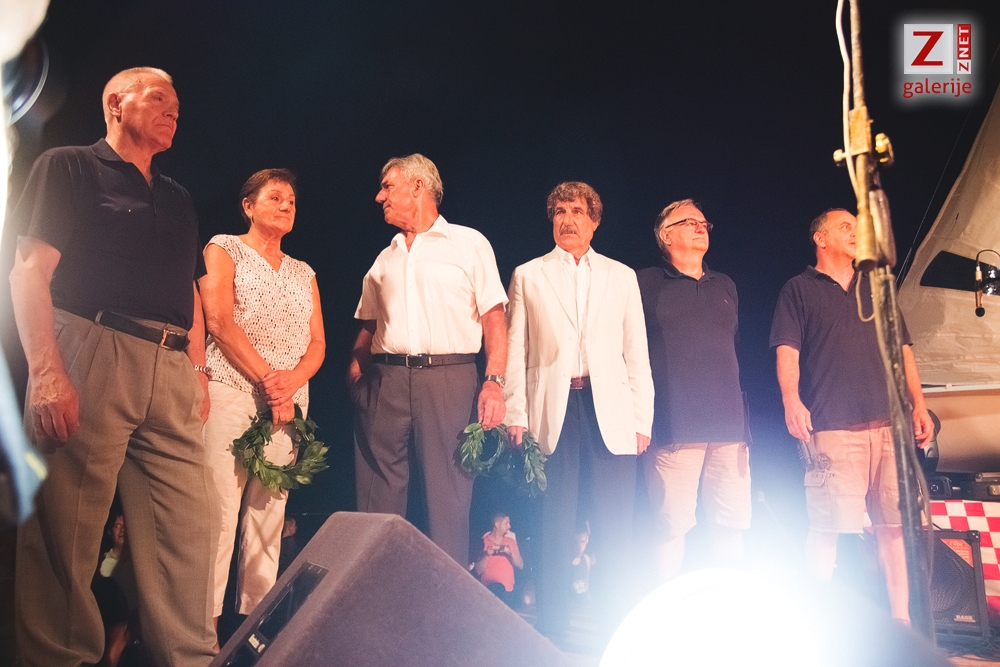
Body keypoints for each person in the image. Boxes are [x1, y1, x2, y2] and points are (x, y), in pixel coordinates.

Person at [8, 67, 218, 667]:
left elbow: (189, 290)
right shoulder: (70, 166)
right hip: (94, 346)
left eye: (176, 102)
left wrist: (197, 370)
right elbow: (29, 271)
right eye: (158, 98)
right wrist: (47, 371)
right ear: (115, 103)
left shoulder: (178, 197)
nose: (173, 109)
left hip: (171, 365)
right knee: (67, 528)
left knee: (189, 525)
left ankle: (190, 658)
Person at [504, 181, 654, 641]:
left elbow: (636, 352)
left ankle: (615, 631)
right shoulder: (528, 275)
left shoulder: (621, 276)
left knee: (614, 527)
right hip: (554, 409)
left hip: (610, 410)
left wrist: (641, 420)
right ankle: (552, 633)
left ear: (594, 221)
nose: (567, 219)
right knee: (553, 524)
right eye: (560, 211)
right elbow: (515, 351)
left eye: (576, 211)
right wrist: (515, 413)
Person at [770, 208, 934, 623]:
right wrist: (791, 400)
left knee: (894, 527)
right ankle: (815, 623)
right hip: (834, 426)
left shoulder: (877, 287)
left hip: (889, 426)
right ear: (821, 238)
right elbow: (787, 351)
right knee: (827, 526)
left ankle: (901, 621)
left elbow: (903, 350)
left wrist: (918, 404)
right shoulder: (798, 289)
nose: (857, 233)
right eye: (846, 227)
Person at [349, 154, 508, 564]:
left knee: (447, 499)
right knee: (376, 499)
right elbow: (367, 326)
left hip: (449, 378)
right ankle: (375, 589)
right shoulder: (384, 258)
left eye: (388, 186)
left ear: (418, 186)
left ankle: (445, 597)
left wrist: (494, 382)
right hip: (386, 381)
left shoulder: (469, 243)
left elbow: (494, 317)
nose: (379, 196)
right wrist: (356, 374)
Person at [200, 168, 325, 621]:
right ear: (248, 206)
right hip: (233, 390)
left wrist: (288, 384)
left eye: (291, 200)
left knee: (269, 519)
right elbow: (219, 321)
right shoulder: (224, 248)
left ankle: (254, 629)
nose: (286, 205)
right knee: (218, 513)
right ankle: (203, 632)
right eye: (275, 197)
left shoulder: (303, 271)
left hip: (287, 406)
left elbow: (318, 343)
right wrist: (270, 379)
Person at [637, 199, 751, 582]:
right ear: (666, 235)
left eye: (704, 223)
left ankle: (729, 603)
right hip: (674, 425)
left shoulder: (725, 285)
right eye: (689, 222)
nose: (701, 227)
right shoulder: (644, 283)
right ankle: (667, 606)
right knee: (671, 526)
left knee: (731, 523)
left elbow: (733, 348)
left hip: (730, 426)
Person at [474, 513, 524, 607]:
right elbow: (478, 570)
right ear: (497, 524)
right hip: (487, 590)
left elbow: (521, 565)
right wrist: (487, 555)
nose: (509, 526)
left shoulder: (511, 542)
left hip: (507, 593)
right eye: (506, 523)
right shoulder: (483, 541)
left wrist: (512, 553)